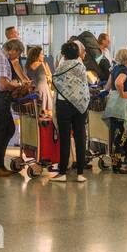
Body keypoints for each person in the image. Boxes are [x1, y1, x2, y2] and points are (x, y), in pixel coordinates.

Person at [48, 40, 89, 183]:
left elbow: (54, 83)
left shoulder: (61, 66)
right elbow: (84, 85)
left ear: (63, 54)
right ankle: (80, 174)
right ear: (78, 53)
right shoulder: (81, 66)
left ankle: (63, 172)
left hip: (64, 105)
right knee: (80, 137)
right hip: (80, 105)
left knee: (65, 138)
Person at [0, 38, 25, 177]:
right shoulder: (2, 58)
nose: (17, 58)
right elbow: (3, 84)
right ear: (12, 50)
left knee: (5, 130)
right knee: (4, 131)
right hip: (0, 98)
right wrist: (17, 85)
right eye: (18, 54)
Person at [25, 45, 53, 116]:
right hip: (44, 90)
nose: (43, 56)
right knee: (48, 113)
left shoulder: (27, 66)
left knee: (35, 113)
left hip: (33, 91)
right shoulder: (43, 64)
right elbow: (50, 78)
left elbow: (27, 80)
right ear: (37, 55)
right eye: (41, 54)